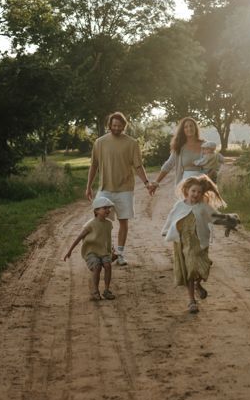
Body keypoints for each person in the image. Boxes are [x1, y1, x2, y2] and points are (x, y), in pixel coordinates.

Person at [85, 111, 156, 266]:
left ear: (124, 126)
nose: (116, 128)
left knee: (123, 222)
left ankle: (121, 253)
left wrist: (146, 183)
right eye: (114, 125)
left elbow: (138, 166)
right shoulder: (100, 142)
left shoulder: (132, 143)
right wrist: (89, 186)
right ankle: (107, 252)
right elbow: (94, 166)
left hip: (125, 189)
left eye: (119, 126)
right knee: (102, 223)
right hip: (105, 189)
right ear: (109, 125)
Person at [161, 175, 225, 314]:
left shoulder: (203, 206)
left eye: (199, 192)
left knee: (203, 267)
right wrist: (166, 230)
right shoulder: (180, 205)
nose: (196, 194)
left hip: (199, 243)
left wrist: (229, 221)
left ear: (202, 194)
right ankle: (191, 301)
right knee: (190, 269)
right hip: (185, 243)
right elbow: (172, 217)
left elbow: (215, 216)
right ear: (187, 191)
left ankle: (197, 284)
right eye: (193, 191)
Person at [62, 195, 118, 301]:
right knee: (97, 267)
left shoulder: (108, 224)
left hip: (104, 251)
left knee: (107, 265)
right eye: (104, 208)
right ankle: (95, 291)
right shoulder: (91, 224)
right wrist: (69, 251)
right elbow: (79, 237)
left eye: (108, 208)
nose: (108, 210)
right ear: (96, 210)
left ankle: (106, 290)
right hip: (91, 251)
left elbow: (108, 238)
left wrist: (112, 250)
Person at [152, 116, 206, 190]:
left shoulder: (205, 145)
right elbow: (169, 164)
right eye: (186, 127)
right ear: (183, 130)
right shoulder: (179, 147)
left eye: (191, 126)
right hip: (185, 185)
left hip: (202, 184)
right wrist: (156, 182)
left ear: (195, 128)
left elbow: (213, 163)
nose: (189, 128)